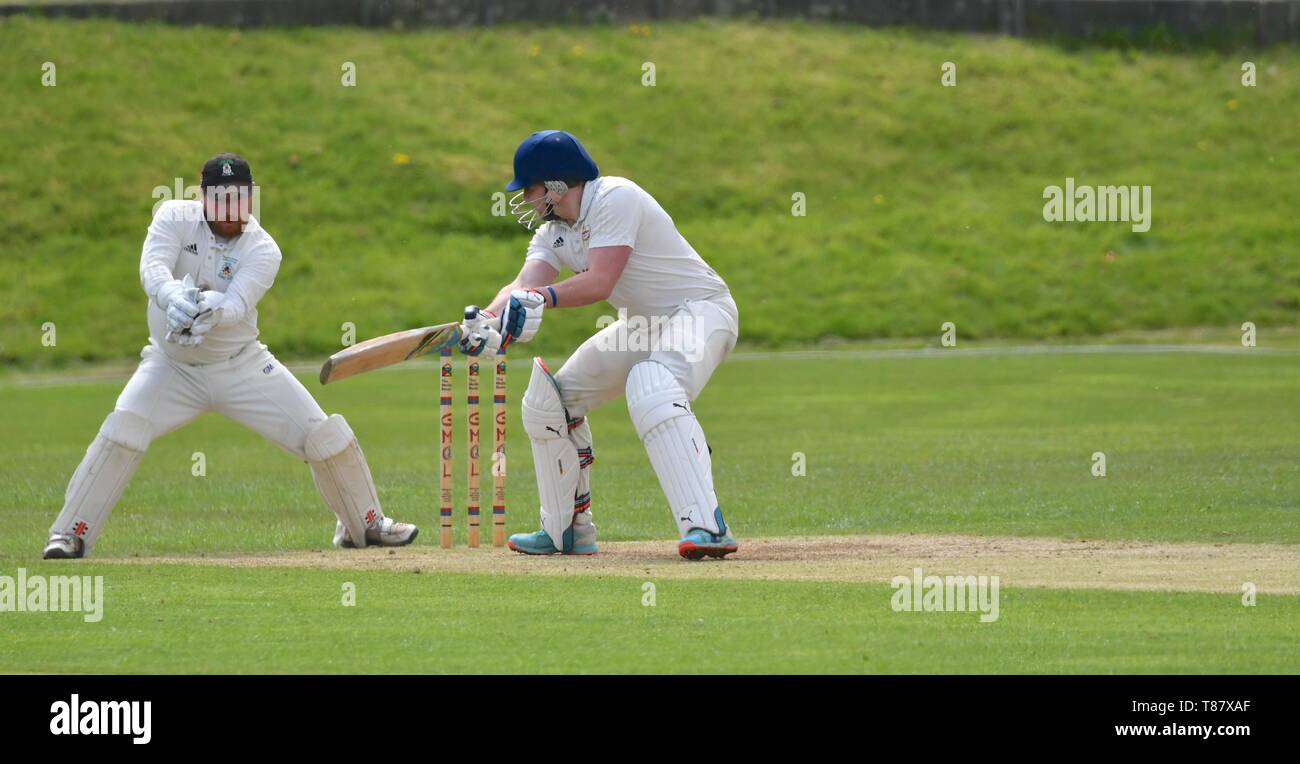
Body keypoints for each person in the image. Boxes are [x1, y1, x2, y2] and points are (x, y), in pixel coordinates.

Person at [42, 153, 416, 559]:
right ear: (202, 198)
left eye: (238, 198)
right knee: (123, 429)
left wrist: (211, 311)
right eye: (219, 198)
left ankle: (366, 523)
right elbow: (153, 270)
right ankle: (70, 533)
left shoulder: (264, 248)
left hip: (241, 365)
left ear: (250, 199)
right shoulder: (172, 216)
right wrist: (173, 299)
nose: (229, 208)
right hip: (171, 368)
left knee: (323, 434)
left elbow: (238, 304)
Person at [459, 131, 739, 559]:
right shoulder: (555, 232)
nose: (527, 201)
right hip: (643, 324)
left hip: (700, 311)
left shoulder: (616, 198)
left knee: (653, 386)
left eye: (530, 190)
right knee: (550, 402)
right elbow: (523, 284)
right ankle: (567, 530)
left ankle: (706, 526)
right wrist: (486, 321)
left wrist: (541, 300)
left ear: (555, 186)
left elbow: (599, 280)